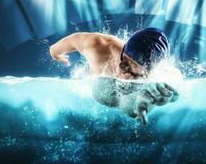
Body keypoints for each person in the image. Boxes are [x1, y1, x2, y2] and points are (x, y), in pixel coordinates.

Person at [50, 28, 179, 124]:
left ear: (150, 72)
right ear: (123, 51)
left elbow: (175, 81)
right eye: (124, 63)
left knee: (141, 101)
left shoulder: (158, 73)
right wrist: (55, 53)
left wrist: (168, 93)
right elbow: (71, 41)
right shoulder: (98, 46)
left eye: (133, 74)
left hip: (132, 99)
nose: (124, 72)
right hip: (100, 89)